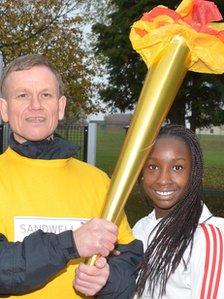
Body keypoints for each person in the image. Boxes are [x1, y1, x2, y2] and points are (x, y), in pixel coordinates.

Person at [0, 54, 143, 298]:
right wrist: (72, 243)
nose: (36, 105)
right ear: (4, 109)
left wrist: (108, 279)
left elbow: (129, 258)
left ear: (61, 106)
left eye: (46, 95)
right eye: (22, 95)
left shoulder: (98, 181)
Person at [133, 124, 224, 299]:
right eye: (152, 166)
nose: (163, 180)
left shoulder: (208, 236)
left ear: (194, 172)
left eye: (177, 168)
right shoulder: (140, 228)